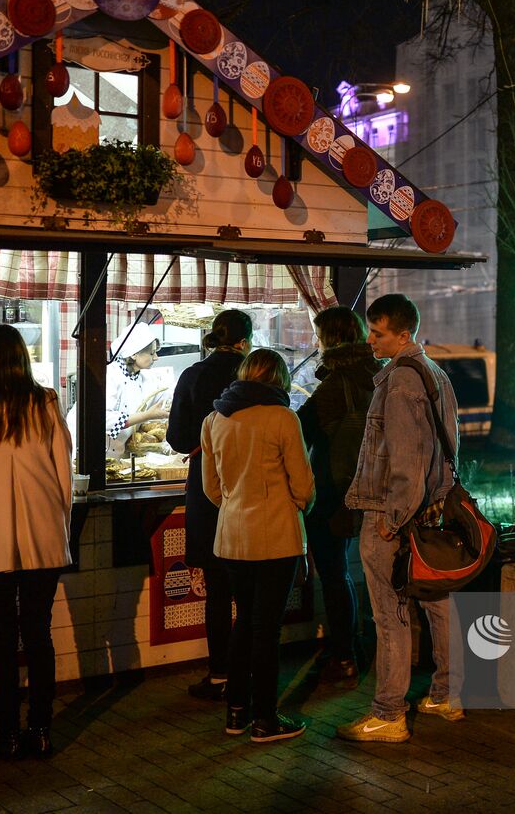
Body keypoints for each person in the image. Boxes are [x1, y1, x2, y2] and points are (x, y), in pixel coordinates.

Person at [338, 294, 463, 744]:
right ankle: (448, 694)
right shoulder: (435, 374)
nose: (370, 341)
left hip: (394, 513)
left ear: (403, 334)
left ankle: (389, 713)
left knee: (390, 615)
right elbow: (446, 447)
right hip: (431, 512)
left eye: (378, 333)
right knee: (437, 602)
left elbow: (407, 460)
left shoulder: (400, 382)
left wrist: (393, 517)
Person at [0, 324, 73, 760]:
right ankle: (40, 730)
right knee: (38, 635)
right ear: (24, 359)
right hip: (43, 536)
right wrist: (62, 523)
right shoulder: (44, 402)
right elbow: (64, 471)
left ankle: (6, 733)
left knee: (3, 640)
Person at [202, 348, 314, 743]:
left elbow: (211, 488)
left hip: (231, 537)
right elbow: (302, 485)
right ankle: (266, 719)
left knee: (243, 624)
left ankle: (236, 712)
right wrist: (295, 504)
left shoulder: (215, 419)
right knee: (266, 629)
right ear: (279, 380)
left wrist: (237, 506)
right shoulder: (284, 417)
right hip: (276, 537)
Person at [167, 309, 251, 701]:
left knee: (217, 591)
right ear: (244, 339)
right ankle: (249, 673)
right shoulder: (255, 376)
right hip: (249, 491)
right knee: (250, 592)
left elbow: (178, 440)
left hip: (205, 491)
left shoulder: (193, 375)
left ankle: (219, 674)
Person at [297, 306, 380, 685]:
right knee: (357, 573)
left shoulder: (333, 386)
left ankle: (344, 654)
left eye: (318, 336)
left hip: (334, 493)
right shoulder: (378, 376)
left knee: (333, 573)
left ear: (328, 339)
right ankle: (358, 647)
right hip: (372, 488)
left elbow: (299, 434)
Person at [68, 321, 170, 458]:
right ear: (134, 354)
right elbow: (102, 418)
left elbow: (164, 399)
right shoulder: (109, 376)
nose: (156, 358)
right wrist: (147, 415)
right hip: (87, 448)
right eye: (151, 353)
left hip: (117, 452)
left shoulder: (145, 378)